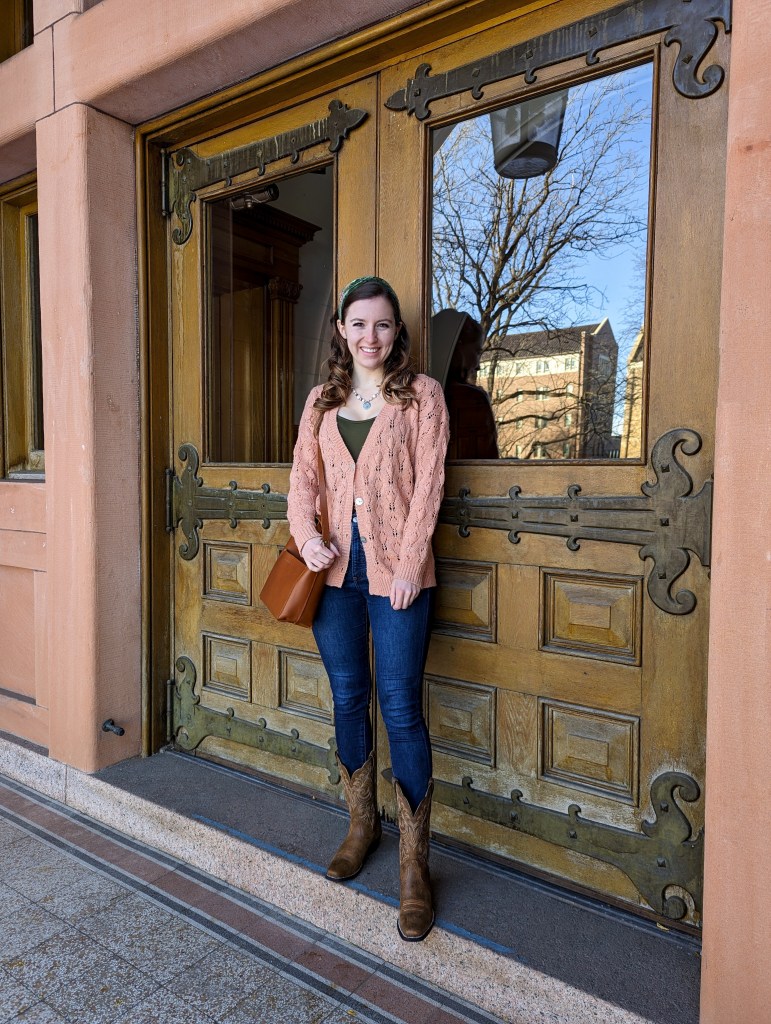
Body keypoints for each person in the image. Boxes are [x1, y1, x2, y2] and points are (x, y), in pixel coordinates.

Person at [287, 276, 449, 942]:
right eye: (358, 324)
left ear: (396, 333)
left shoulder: (421, 397)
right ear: (341, 330)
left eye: (382, 325)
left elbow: (431, 483)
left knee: (401, 706)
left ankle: (415, 868)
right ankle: (361, 826)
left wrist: (410, 566)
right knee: (349, 697)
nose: (370, 337)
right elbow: (301, 478)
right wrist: (307, 538)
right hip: (332, 580)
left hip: (399, 579)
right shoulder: (321, 401)